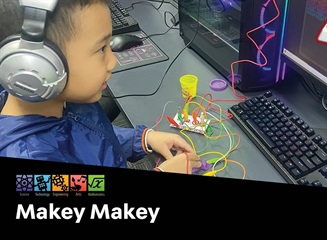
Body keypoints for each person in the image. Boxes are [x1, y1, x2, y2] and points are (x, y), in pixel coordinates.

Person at [0, 0, 201, 173]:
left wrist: (142, 138)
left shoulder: (64, 101)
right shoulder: (31, 163)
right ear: (36, 65)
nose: (113, 61)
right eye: (101, 49)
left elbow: (89, 137)